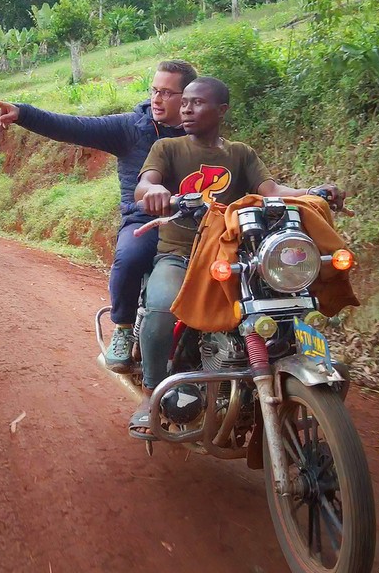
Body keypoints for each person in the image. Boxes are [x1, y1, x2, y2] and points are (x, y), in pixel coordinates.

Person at [129, 76, 346, 437]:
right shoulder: (168, 149)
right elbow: (145, 183)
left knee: (286, 306)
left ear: (222, 110)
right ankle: (152, 393)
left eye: (197, 103)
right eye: (185, 102)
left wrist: (312, 191)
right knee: (163, 304)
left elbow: (273, 190)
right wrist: (152, 191)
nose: (186, 108)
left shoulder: (241, 154)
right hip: (180, 254)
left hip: (236, 256)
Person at [0, 60, 198, 374]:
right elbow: (75, 126)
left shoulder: (201, 132)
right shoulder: (131, 128)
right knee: (130, 256)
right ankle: (124, 328)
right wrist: (24, 113)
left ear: (188, 98)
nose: (156, 98)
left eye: (167, 93)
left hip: (194, 222)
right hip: (144, 220)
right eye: (154, 90)